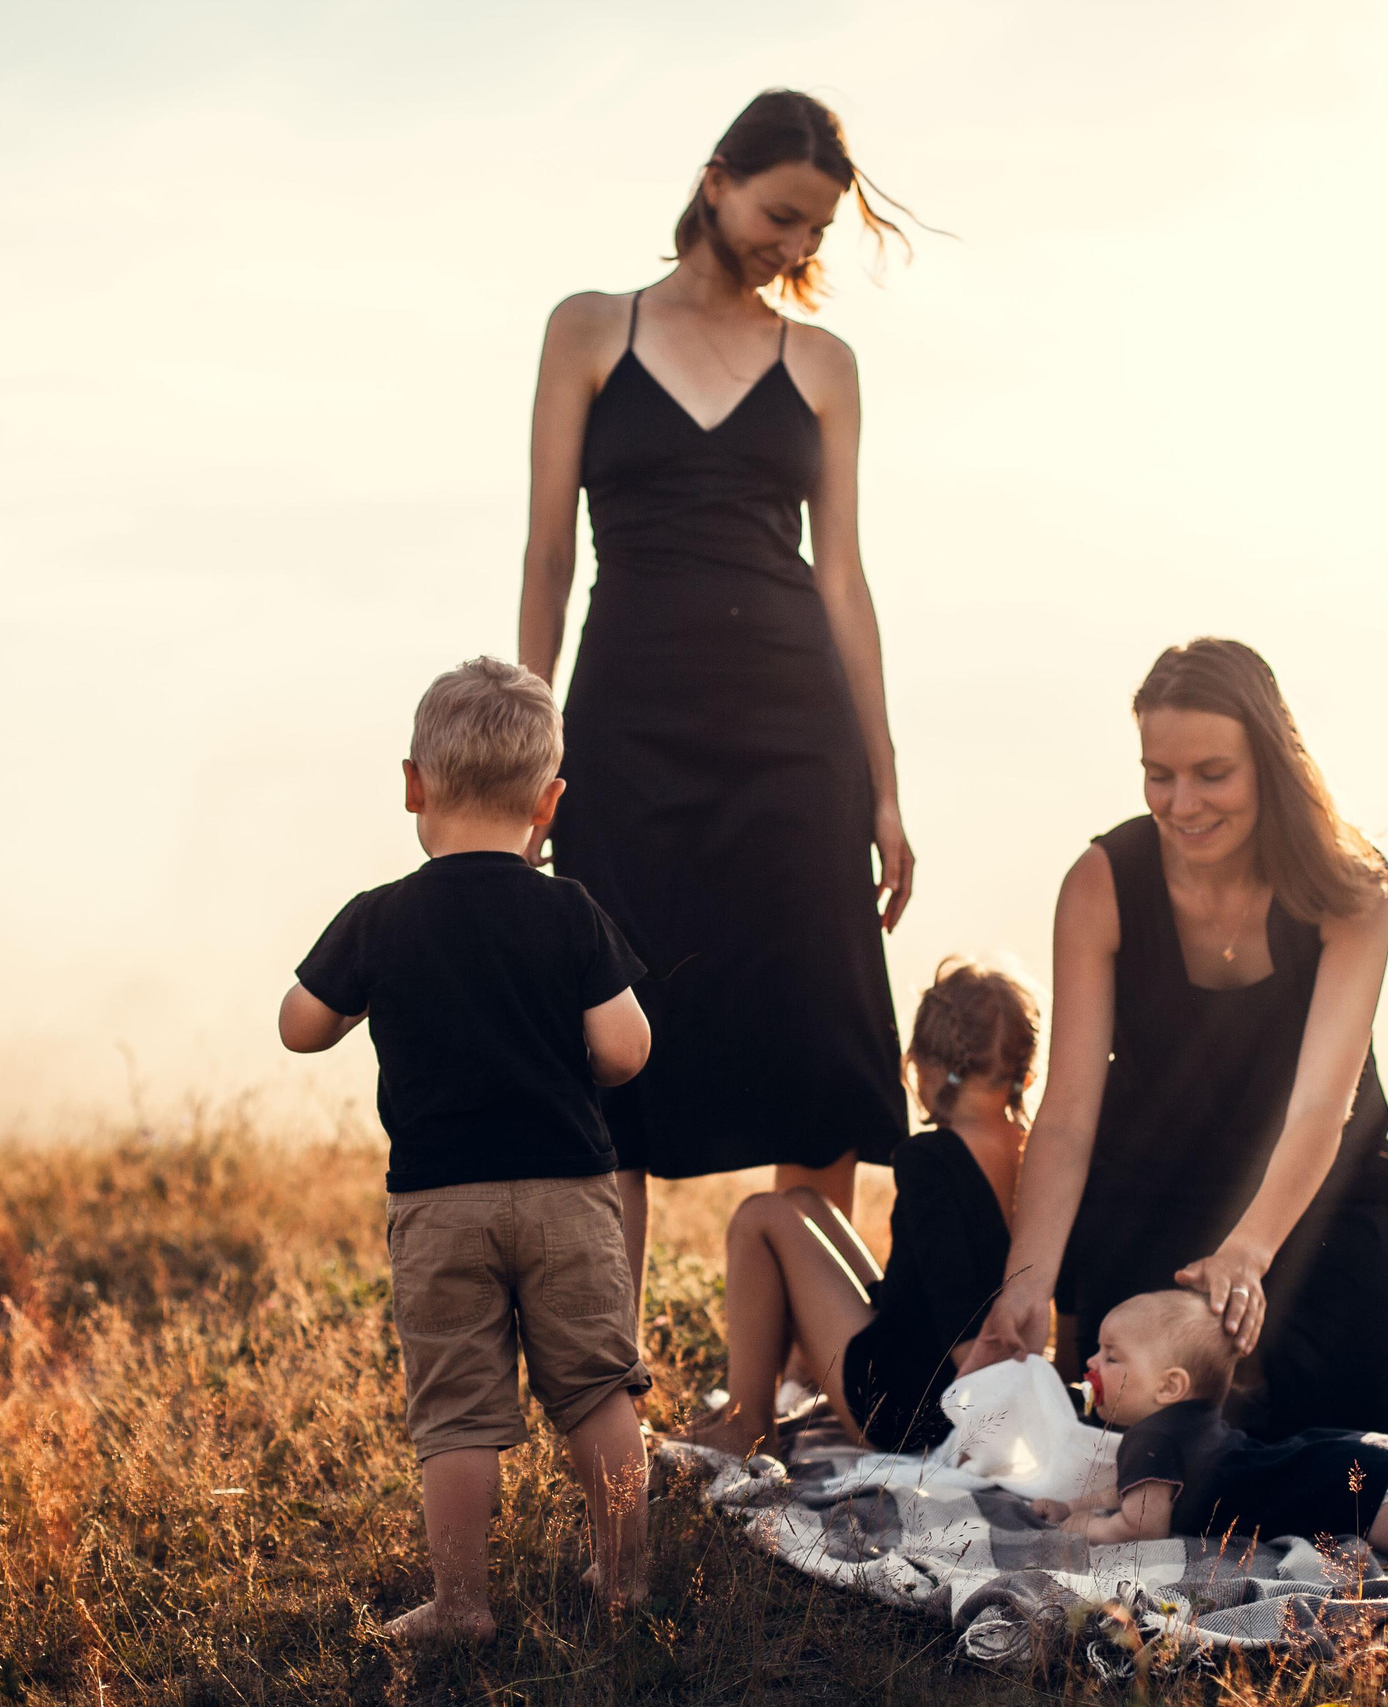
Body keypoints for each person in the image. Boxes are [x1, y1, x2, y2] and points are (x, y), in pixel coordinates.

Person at [517, 89, 925, 1284]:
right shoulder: (589, 330)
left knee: (815, 1042)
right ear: (715, 179)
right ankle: (611, 1383)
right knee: (614, 1044)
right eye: (782, 215)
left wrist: (886, 788)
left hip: (797, 733)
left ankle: (815, 1377)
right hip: (626, 727)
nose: (794, 248)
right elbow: (548, 552)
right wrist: (531, 753)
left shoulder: (824, 366)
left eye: (814, 233)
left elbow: (843, 580)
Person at [278, 657, 655, 1641]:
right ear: (549, 800)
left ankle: (460, 1604)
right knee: (597, 1392)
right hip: (569, 1194)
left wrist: (359, 986)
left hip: (440, 1205)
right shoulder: (566, 908)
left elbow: (298, 1026)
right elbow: (625, 1048)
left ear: (413, 784)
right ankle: (623, 1586)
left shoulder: (380, 917)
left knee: (457, 1414)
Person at [965, 638, 1388, 1442]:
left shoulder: (1353, 886)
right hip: (1151, 1192)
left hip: (1314, 1194)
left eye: (1212, 774)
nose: (1181, 803)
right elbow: (1069, 1111)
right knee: (1131, 1435)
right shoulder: (1099, 884)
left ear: (1271, 764)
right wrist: (1026, 1280)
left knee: (1348, 1448)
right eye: (1158, 774)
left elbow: (1323, 1103)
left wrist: (1247, 1252)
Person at [681, 961, 1035, 1460]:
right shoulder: (1033, 1154)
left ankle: (748, 1422)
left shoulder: (929, 1159)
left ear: (926, 1066)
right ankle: (780, 1388)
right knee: (806, 1203)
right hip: (960, 1382)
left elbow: (959, 1315)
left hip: (907, 1405)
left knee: (760, 1215)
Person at [1034, 1291, 1388, 1557]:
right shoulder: (1188, 1427)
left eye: (1111, 1356)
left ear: (1170, 1387)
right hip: (1363, 1457)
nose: (1090, 1366)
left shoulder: (1151, 1436)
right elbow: (1133, 1492)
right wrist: (1071, 1505)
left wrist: (1083, 1531)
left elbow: (1141, 1524)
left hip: (1346, 1482)